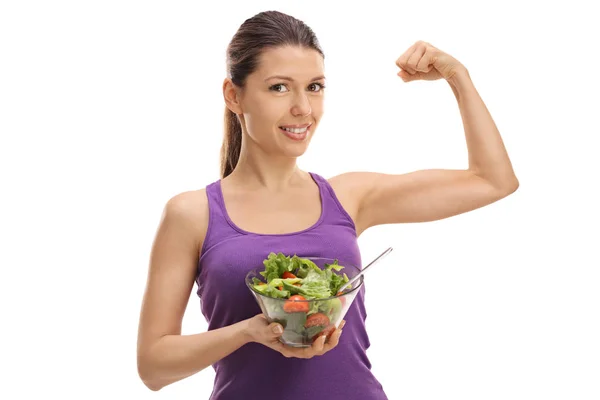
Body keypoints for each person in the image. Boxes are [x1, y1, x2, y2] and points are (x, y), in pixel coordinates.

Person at [136, 10, 519, 400]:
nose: (303, 107)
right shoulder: (192, 213)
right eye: (279, 88)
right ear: (234, 96)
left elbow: (493, 181)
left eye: (315, 86)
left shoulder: (349, 198)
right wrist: (248, 331)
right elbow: (152, 367)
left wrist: (458, 76)